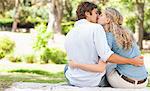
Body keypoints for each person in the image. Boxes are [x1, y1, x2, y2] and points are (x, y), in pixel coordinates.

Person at [64, 2, 144, 87]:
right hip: (94, 81)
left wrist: (76, 65)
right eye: (96, 13)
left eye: (100, 14)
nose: (98, 16)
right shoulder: (97, 28)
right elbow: (106, 57)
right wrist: (132, 61)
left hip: (73, 80)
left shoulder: (70, 32)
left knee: (67, 67)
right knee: (109, 61)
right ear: (87, 14)